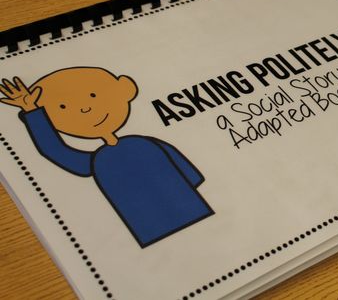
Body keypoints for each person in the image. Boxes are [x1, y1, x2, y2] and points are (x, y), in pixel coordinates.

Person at [0, 67, 213, 248]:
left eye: (93, 95)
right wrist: (32, 112)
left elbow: (185, 169)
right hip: (151, 228)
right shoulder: (99, 160)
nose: (85, 108)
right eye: (63, 107)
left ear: (125, 89)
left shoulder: (142, 143)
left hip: (192, 210)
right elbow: (55, 151)